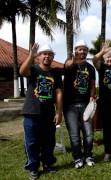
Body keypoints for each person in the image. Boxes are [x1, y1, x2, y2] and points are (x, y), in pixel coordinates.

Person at [20, 43, 63, 179]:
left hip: (49, 113)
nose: (47, 56)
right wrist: (30, 56)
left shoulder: (55, 73)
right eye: (44, 53)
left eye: (50, 54)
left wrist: (59, 112)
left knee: (49, 141)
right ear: (39, 57)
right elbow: (22, 71)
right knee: (32, 142)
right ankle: (33, 167)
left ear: (53, 57)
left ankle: (48, 164)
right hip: (31, 112)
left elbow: (58, 93)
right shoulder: (33, 70)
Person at [64, 40, 96, 168]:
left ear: (87, 51)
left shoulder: (90, 68)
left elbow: (93, 85)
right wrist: (74, 61)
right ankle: (77, 158)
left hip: (85, 104)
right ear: (75, 51)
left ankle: (88, 155)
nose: (82, 51)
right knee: (75, 135)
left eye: (84, 49)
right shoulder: (70, 63)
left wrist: (92, 97)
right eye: (79, 49)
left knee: (89, 133)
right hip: (69, 106)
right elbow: (68, 66)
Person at [92, 43, 111, 161]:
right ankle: (107, 151)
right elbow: (94, 60)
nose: (110, 59)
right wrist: (102, 52)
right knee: (106, 127)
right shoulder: (102, 67)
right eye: (108, 57)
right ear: (105, 58)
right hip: (104, 102)